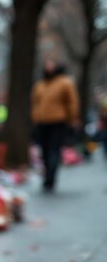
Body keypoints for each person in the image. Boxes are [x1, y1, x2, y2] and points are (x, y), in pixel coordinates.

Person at [31, 60, 80, 192]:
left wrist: (71, 119)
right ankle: (47, 175)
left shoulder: (65, 83)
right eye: (46, 65)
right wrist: (35, 118)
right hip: (42, 123)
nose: (48, 67)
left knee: (54, 150)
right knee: (45, 151)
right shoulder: (40, 84)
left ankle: (51, 178)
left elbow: (72, 103)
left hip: (58, 122)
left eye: (51, 64)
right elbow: (35, 103)